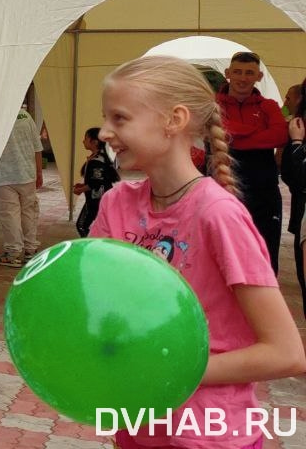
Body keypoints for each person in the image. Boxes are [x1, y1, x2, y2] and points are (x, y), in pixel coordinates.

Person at [90, 56, 306, 448]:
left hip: (209, 435)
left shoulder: (217, 215)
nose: (104, 132)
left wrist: (173, 370)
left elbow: (286, 353)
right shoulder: (117, 204)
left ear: (174, 120)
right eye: (105, 118)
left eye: (119, 119)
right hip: (137, 421)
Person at [217, 51, 288, 273]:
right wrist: (258, 134)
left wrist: (233, 137)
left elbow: (279, 136)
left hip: (264, 194)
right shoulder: (212, 104)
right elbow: (212, 133)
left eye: (249, 73)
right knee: (225, 255)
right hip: (223, 191)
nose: (242, 78)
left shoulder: (269, 106)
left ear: (259, 76)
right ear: (228, 74)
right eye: (237, 72)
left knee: (265, 255)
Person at [0, 106, 45, 268]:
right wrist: (39, 172)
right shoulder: (26, 116)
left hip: (2, 176)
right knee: (29, 211)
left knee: (9, 215)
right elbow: (37, 146)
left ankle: (13, 253)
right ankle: (30, 249)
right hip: (26, 174)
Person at [279, 80, 306, 320]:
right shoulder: (295, 122)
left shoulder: (298, 130)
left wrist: (296, 142)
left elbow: (296, 174)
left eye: (290, 97)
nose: (285, 101)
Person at [72, 127, 118, 238]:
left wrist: (80, 190)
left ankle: (91, 247)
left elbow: (96, 183)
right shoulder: (98, 158)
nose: (83, 141)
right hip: (97, 199)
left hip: (97, 200)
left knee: (82, 226)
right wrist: (83, 186)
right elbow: (96, 180)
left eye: (85, 138)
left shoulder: (97, 160)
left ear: (94, 142)